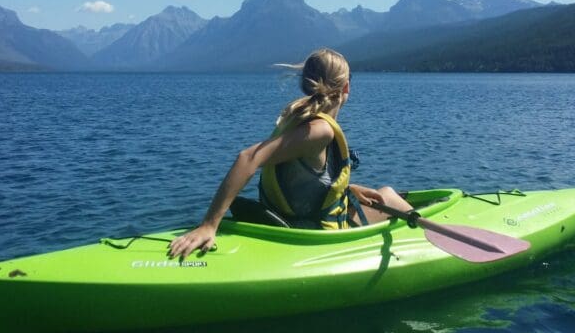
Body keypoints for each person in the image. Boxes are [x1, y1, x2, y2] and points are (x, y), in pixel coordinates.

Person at [167, 48, 412, 260]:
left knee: (380, 196)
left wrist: (347, 190)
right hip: (311, 235)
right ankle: (430, 250)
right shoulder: (321, 130)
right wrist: (209, 226)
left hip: (294, 219)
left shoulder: (298, 117)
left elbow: (302, 181)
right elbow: (248, 158)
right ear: (346, 87)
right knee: (388, 196)